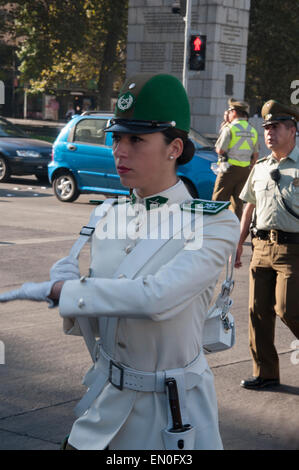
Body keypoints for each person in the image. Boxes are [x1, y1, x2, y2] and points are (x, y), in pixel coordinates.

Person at [0, 73, 239, 450]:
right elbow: (102, 322)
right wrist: (68, 285)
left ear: (174, 148)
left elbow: (156, 298)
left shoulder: (214, 222)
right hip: (103, 408)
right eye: (117, 138)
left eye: (137, 140)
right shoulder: (108, 215)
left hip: (170, 417)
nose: (119, 151)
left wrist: (69, 290)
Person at [235, 99, 299, 390]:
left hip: (292, 250)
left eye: (275, 127)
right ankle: (266, 372)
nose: (269, 133)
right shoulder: (260, 166)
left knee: (288, 309)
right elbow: (249, 205)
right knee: (257, 311)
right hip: (260, 247)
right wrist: (239, 243)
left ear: (292, 130)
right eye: (266, 128)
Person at [212, 98, 259, 220]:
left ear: (234, 112)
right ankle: (235, 229)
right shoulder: (253, 130)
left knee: (219, 199)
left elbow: (220, 149)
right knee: (238, 203)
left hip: (229, 170)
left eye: (230, 111)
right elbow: (255, 155)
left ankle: (215, 225)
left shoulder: (230, 128)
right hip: (245, 170)